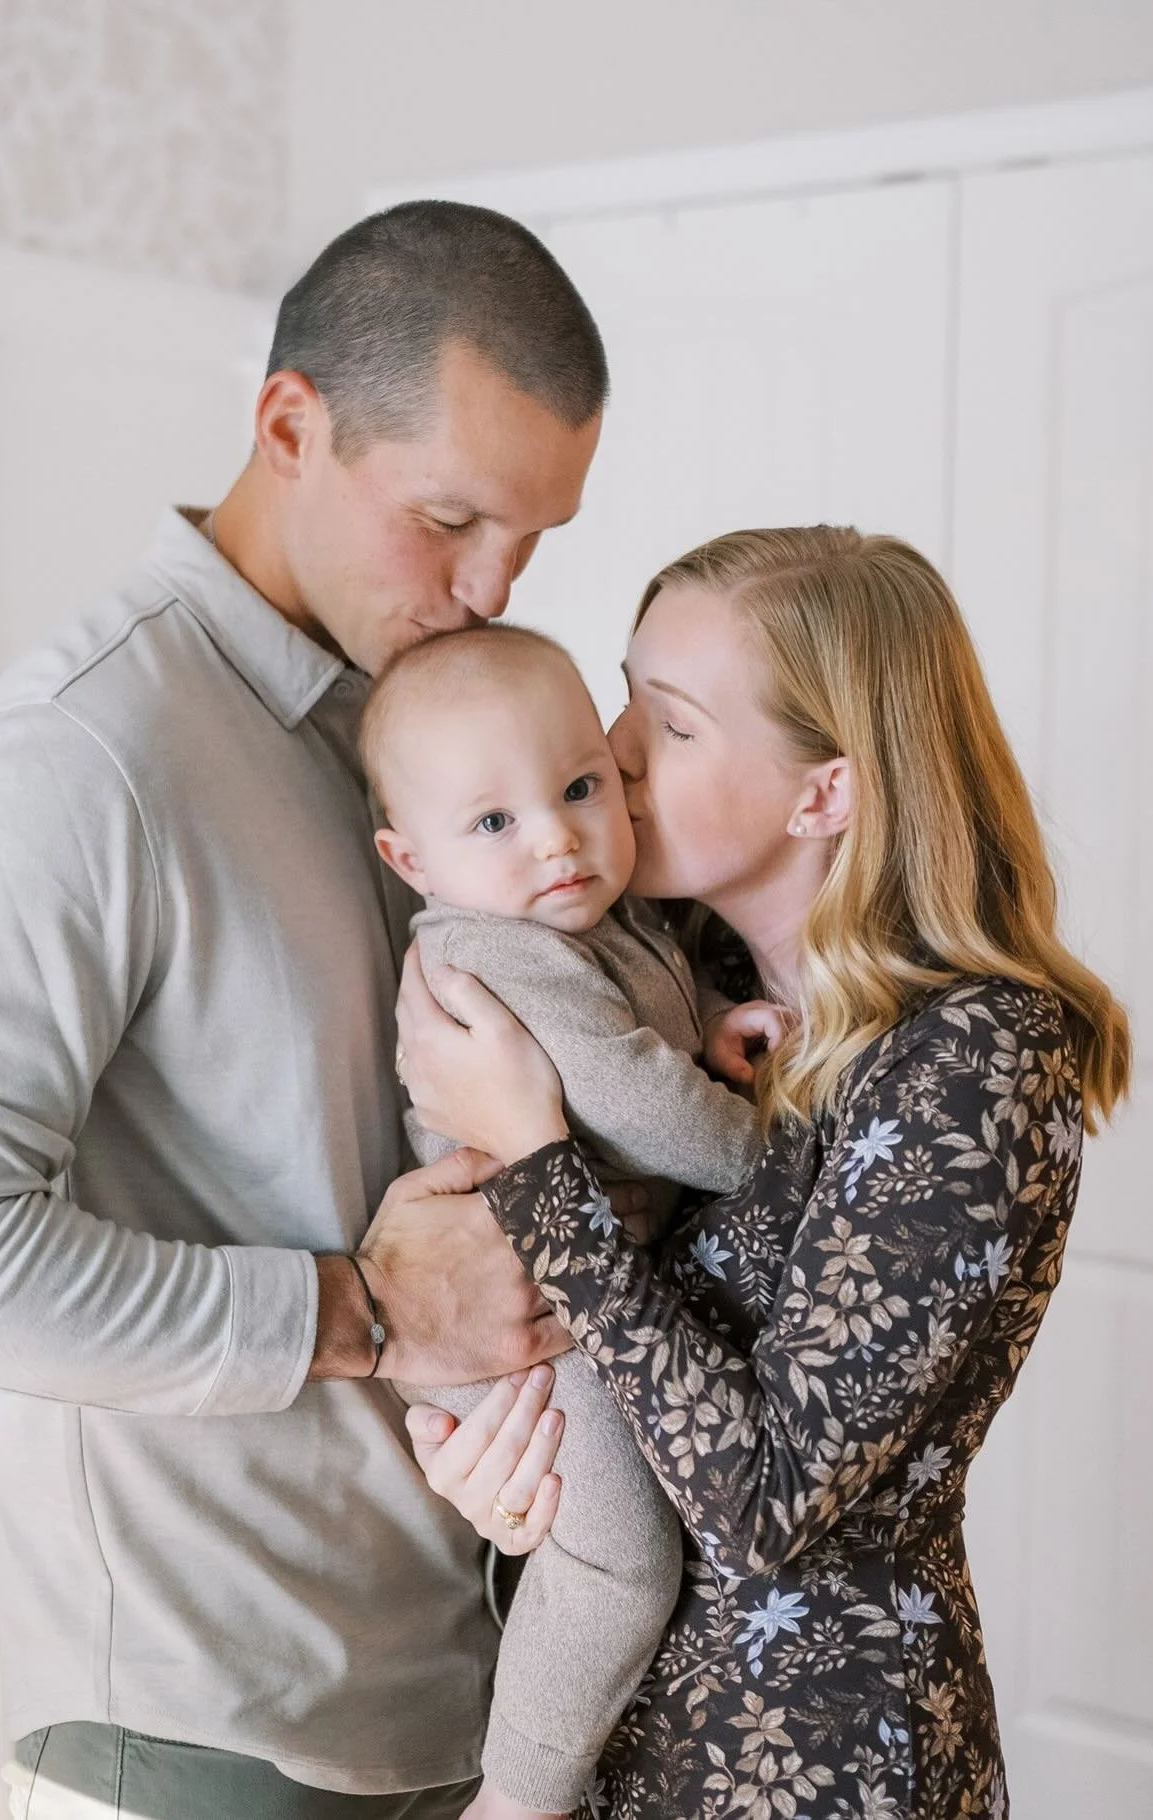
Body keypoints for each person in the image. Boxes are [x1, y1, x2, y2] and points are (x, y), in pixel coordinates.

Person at [0, 201, 611, 1819]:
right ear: (289, 426)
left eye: (532, 540)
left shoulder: (420, 721)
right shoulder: (81, 754)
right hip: (210, 1741)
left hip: (465, 1693)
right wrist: (367, 1309)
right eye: (450, 520)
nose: (490, 588)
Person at [373, 527, 1131, 1819]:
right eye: (622, 696)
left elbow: (766, 1503)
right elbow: (548, 1323)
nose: (609, 749)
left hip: (818, 1758)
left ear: (822, 792)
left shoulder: (977, 1056)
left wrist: (540, 1156)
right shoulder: (663, 970)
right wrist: (496, 1456)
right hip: (617, 1749)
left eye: (669, 724)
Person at [358, 622, 783, 1817]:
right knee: (618, 1563)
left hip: (574, 1291)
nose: (555, 835)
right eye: (495, 819)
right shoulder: (494, 949)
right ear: (410, 857)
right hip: (525, 1327)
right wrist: (769, 1152)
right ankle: (517, 1797)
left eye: (581, 786)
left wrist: (708, 1025)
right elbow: (637, 1103)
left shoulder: (591, 916)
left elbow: (637, 1025)